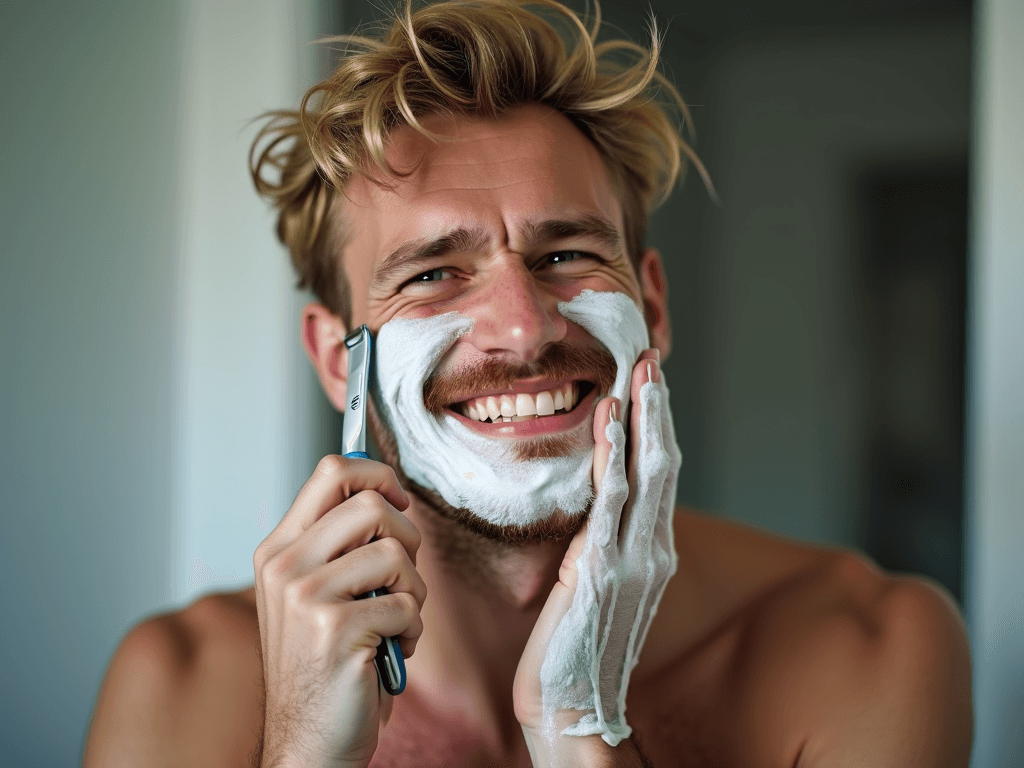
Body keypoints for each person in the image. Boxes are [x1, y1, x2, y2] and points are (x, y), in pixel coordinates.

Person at [83, 1, 972, 766]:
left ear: (652, 306)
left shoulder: (872, 648)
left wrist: (580, 729)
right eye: (433, 273)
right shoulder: (183, 685)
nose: (524, 324)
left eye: (567, 254)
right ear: (335, 360)